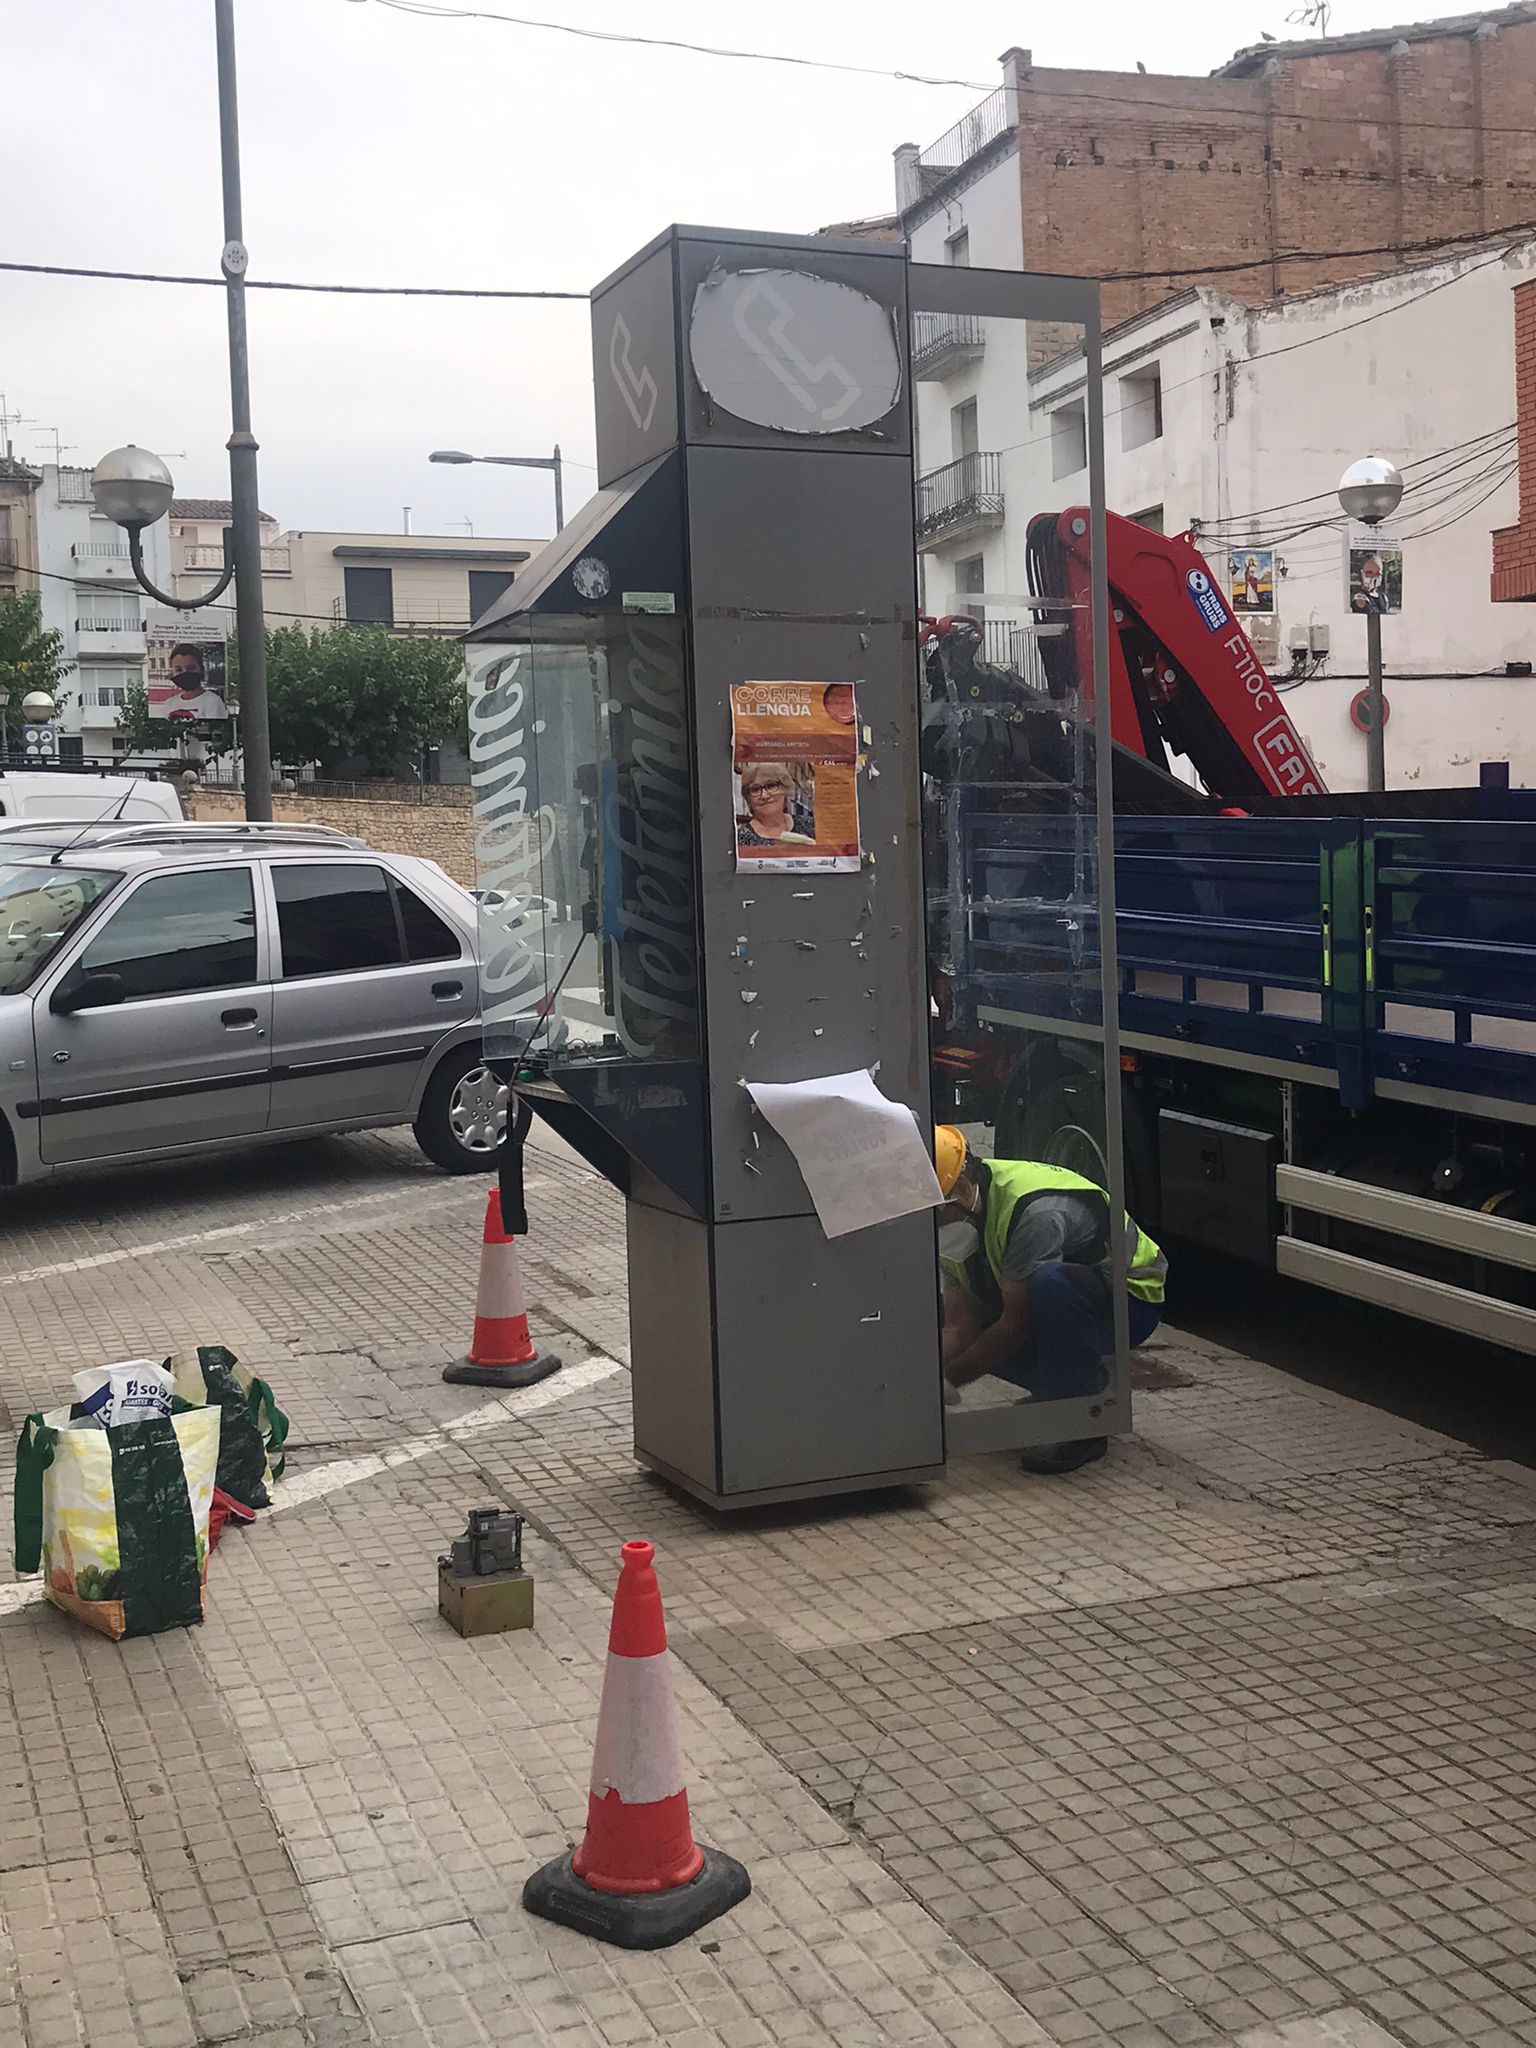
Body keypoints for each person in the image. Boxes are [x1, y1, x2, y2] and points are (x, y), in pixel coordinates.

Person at [934, 1124, 1166, 1473]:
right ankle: (1066, 1388)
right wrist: (921, 1385)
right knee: (981, 1318)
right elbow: (959, 1326)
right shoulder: (957, 1219)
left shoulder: (1032, 1213)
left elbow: (1015, 1325)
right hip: (1073, 1303)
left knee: (1047, 1284)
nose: (933, 1224)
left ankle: (1082, 1427)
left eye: (937, 1212)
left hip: (1130, 1301)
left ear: (963, 1188)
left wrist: (950, 1380)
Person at [736, 761, 814, 847]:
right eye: (755, 790)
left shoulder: (809, 825)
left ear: (785, 788)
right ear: (748, 799)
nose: (764, 796)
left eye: (771, 786)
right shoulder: (741, 837)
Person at [164, 645, 229, 722]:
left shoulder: (213, 701)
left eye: (191, 668)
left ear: (201, 669)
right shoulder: (169, 703)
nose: (185, 673)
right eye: (179, 669)